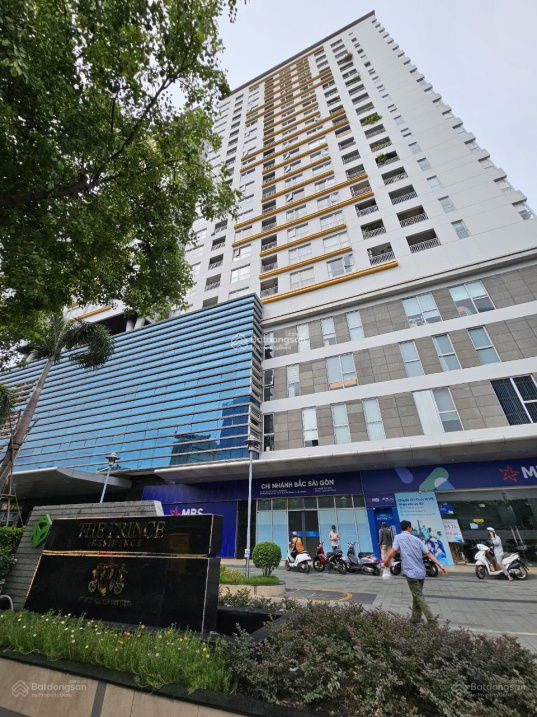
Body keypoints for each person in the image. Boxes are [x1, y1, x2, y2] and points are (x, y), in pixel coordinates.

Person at [385, 520, 448, 625]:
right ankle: (415, 619)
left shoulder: (398, 537)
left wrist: (387, 561)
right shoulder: (417, 540)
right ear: (409, 528)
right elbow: (428, 553)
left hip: (410, 572)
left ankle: (431, 620)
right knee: (417, 595)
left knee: (418, 596)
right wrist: (440, 566)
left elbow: (394, 550)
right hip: (421, 572)